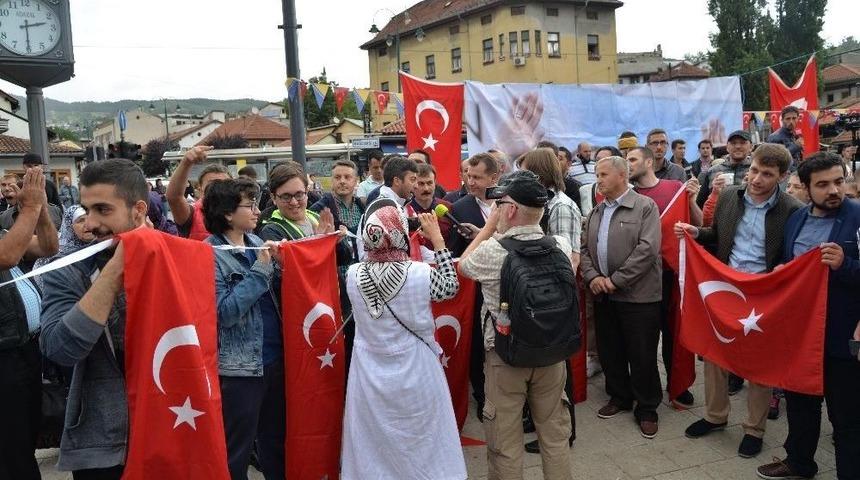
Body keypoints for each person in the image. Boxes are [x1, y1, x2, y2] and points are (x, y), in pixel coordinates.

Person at [676, 143, 802, 459]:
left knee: (760, 363)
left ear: (783, 176)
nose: (757, 179)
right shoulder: (730, 195)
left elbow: (794, 254)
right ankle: (715, 416)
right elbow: (717, 235)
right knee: (715, 352)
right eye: (755, 170)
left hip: (765, 293)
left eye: (767, 174)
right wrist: (696, 232)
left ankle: (754, 429)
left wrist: (786, 269)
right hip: (727, 287)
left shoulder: (792, 209)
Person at [460, 170, 574, 479]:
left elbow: (463, 265)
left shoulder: (492, 252)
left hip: (505, 356)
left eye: (501, 204)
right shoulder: (560, 245)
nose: (496, 208)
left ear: (510, 210)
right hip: (552, 353)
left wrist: (488, 227)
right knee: (554, 436)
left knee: (505, 443)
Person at [40, 158, 150, 479]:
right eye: (86, 211)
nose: (89, 224)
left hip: (170, 424)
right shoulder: (68, 270)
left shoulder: (175, 259)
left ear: (138, 210)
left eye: (103, 210)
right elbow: (59, 349)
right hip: (102, 444)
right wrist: (114, 270)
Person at [341, 200, 465, 480]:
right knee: (423, 437)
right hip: (417, 368)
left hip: (369, 372)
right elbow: (450, 287)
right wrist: (438, 240)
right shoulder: (418, 274)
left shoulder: (353, 274)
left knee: (374, 441)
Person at [757, 152, 860, 480]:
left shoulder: (857, 217)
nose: (834, 190)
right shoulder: (797, 220)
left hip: (843, 336)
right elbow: (795, 269)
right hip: (801, 333)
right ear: (805, 187)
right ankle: (799, 463)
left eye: (839, 181)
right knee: (801, 405)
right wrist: (784, 272)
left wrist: (846, 264)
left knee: (847, 417)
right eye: (823, 184)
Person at [201, 178, 285, 480]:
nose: (256, 211)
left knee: (275, 443)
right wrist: (262, 269)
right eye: (249, 205)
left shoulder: (256, 242)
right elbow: (225, 313)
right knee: (237, 450)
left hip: (274, 359)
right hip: (240, 370)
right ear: (226, 214)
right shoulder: (209, 254)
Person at [580, 155, 663, 439]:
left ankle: (647, 406)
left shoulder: (645, 207)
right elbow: (585, 250)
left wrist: (615, 280)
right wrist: (594, 278)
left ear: (621, 176)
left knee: (642, 354)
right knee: (610, 349)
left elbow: (647, 250)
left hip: (639, 297)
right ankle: (619, 396)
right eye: (597, 175)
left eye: (603, 174)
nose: (598, 180)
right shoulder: (596, 211)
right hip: (604, 296)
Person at [627, 146, 702, 407]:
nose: (628, 164)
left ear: (649, 162)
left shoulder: (675, 187)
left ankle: (678, 385)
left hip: (671, 274)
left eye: (633, 159)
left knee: (675, 333)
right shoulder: (627, 194)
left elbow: (699, 226)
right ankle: (647, 393)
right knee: (644, 339)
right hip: (640, 277)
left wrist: (691, 201)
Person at [518, 149, 581, 454]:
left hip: (554, 300)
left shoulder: (561, 207)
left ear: (539, 173)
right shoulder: (541, 204)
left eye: (526, 171)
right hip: (537, 297)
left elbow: (567, 261)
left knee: (558, 373)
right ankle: (539, 421)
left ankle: (562, 432)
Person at [0, 166, 59, 480]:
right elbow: (7, 256)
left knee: (24, 437)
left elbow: (49, 247)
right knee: (11, 447)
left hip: (24, 350)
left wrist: (37, 211)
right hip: (4, 354)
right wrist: (33, 206)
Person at [167, 145, 231, 240]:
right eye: (212, 184)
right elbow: (174, 198)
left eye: (224, 183)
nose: (218, 188)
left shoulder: (242, 211)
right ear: (200, 189)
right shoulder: (192, 214)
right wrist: (186, 162)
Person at [259, 164, 335, 242]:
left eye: (299, 195)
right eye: (286, 196)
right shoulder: (271, 231)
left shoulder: (317, 218)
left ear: (307, 192)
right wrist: (319, 241)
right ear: (273, 198)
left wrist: (338, 241)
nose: (294, 202)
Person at [448, 153, 501, 257]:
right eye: (469, 176)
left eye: (476, 177)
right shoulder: (459, 208)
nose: (470, 182)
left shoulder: (511, 201)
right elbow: (456, 252)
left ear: (493, 178)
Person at [33, 205, 95, 289]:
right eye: (81, 220)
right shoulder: (57, 254)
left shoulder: (105, 246)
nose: (87, 224)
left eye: (91, 219)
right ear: (70, 226)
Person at [697, 130, 754, 207]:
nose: (737, 146)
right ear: (727, 147)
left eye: (742, 143)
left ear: (751, 147)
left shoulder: (756, 171)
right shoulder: (713, 171)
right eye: (733, 143)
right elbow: (701, 204)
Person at [409, 163, 453, 256]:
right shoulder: (406, 210)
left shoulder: (448, 207)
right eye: (421, 184)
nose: (426, 188)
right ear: (413, 185)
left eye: (429, 183)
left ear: (435, 183)